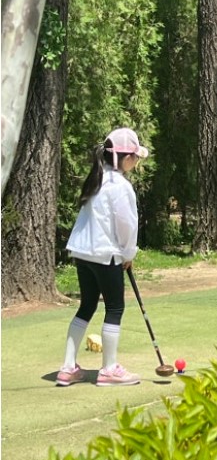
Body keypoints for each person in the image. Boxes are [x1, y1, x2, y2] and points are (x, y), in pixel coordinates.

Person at [57, 128, 149, 386]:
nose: (136, 161)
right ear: (124, 157)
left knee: (87, 305)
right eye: (135, 156)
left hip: (83, 252)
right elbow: (127, 226)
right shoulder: (120, 186)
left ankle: (67, 368)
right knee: (115, 308)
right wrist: (128, 254)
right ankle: (108, 369)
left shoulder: (96, 178)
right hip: (105, 253)